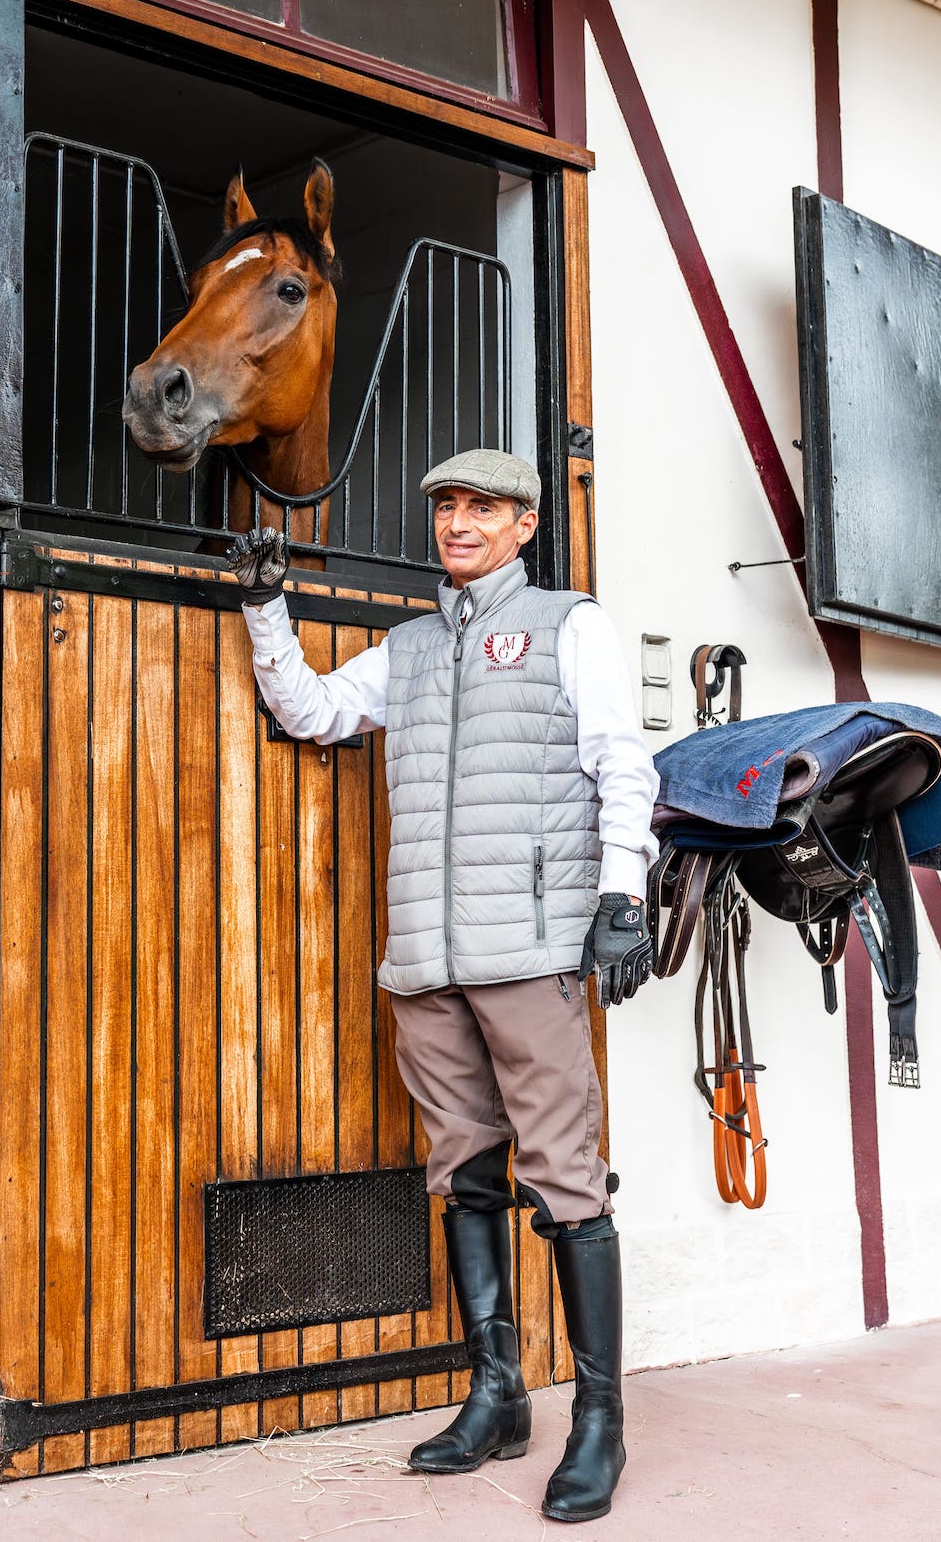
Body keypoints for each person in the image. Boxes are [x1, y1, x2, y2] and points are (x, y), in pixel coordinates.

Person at [228, 450, 658, 1524]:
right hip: (427, 957)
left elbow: (622, 761)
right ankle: (495, 1391)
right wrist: (266, 610)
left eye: (483, 508)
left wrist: (622, 896)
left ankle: (599, 1420)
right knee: (465, 1172)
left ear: (525, 525)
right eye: (447, 508)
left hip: (531, 948)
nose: (459, 523)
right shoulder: (410, 647)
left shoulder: (572, 624)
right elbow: (314, 713)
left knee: (566, 1180)